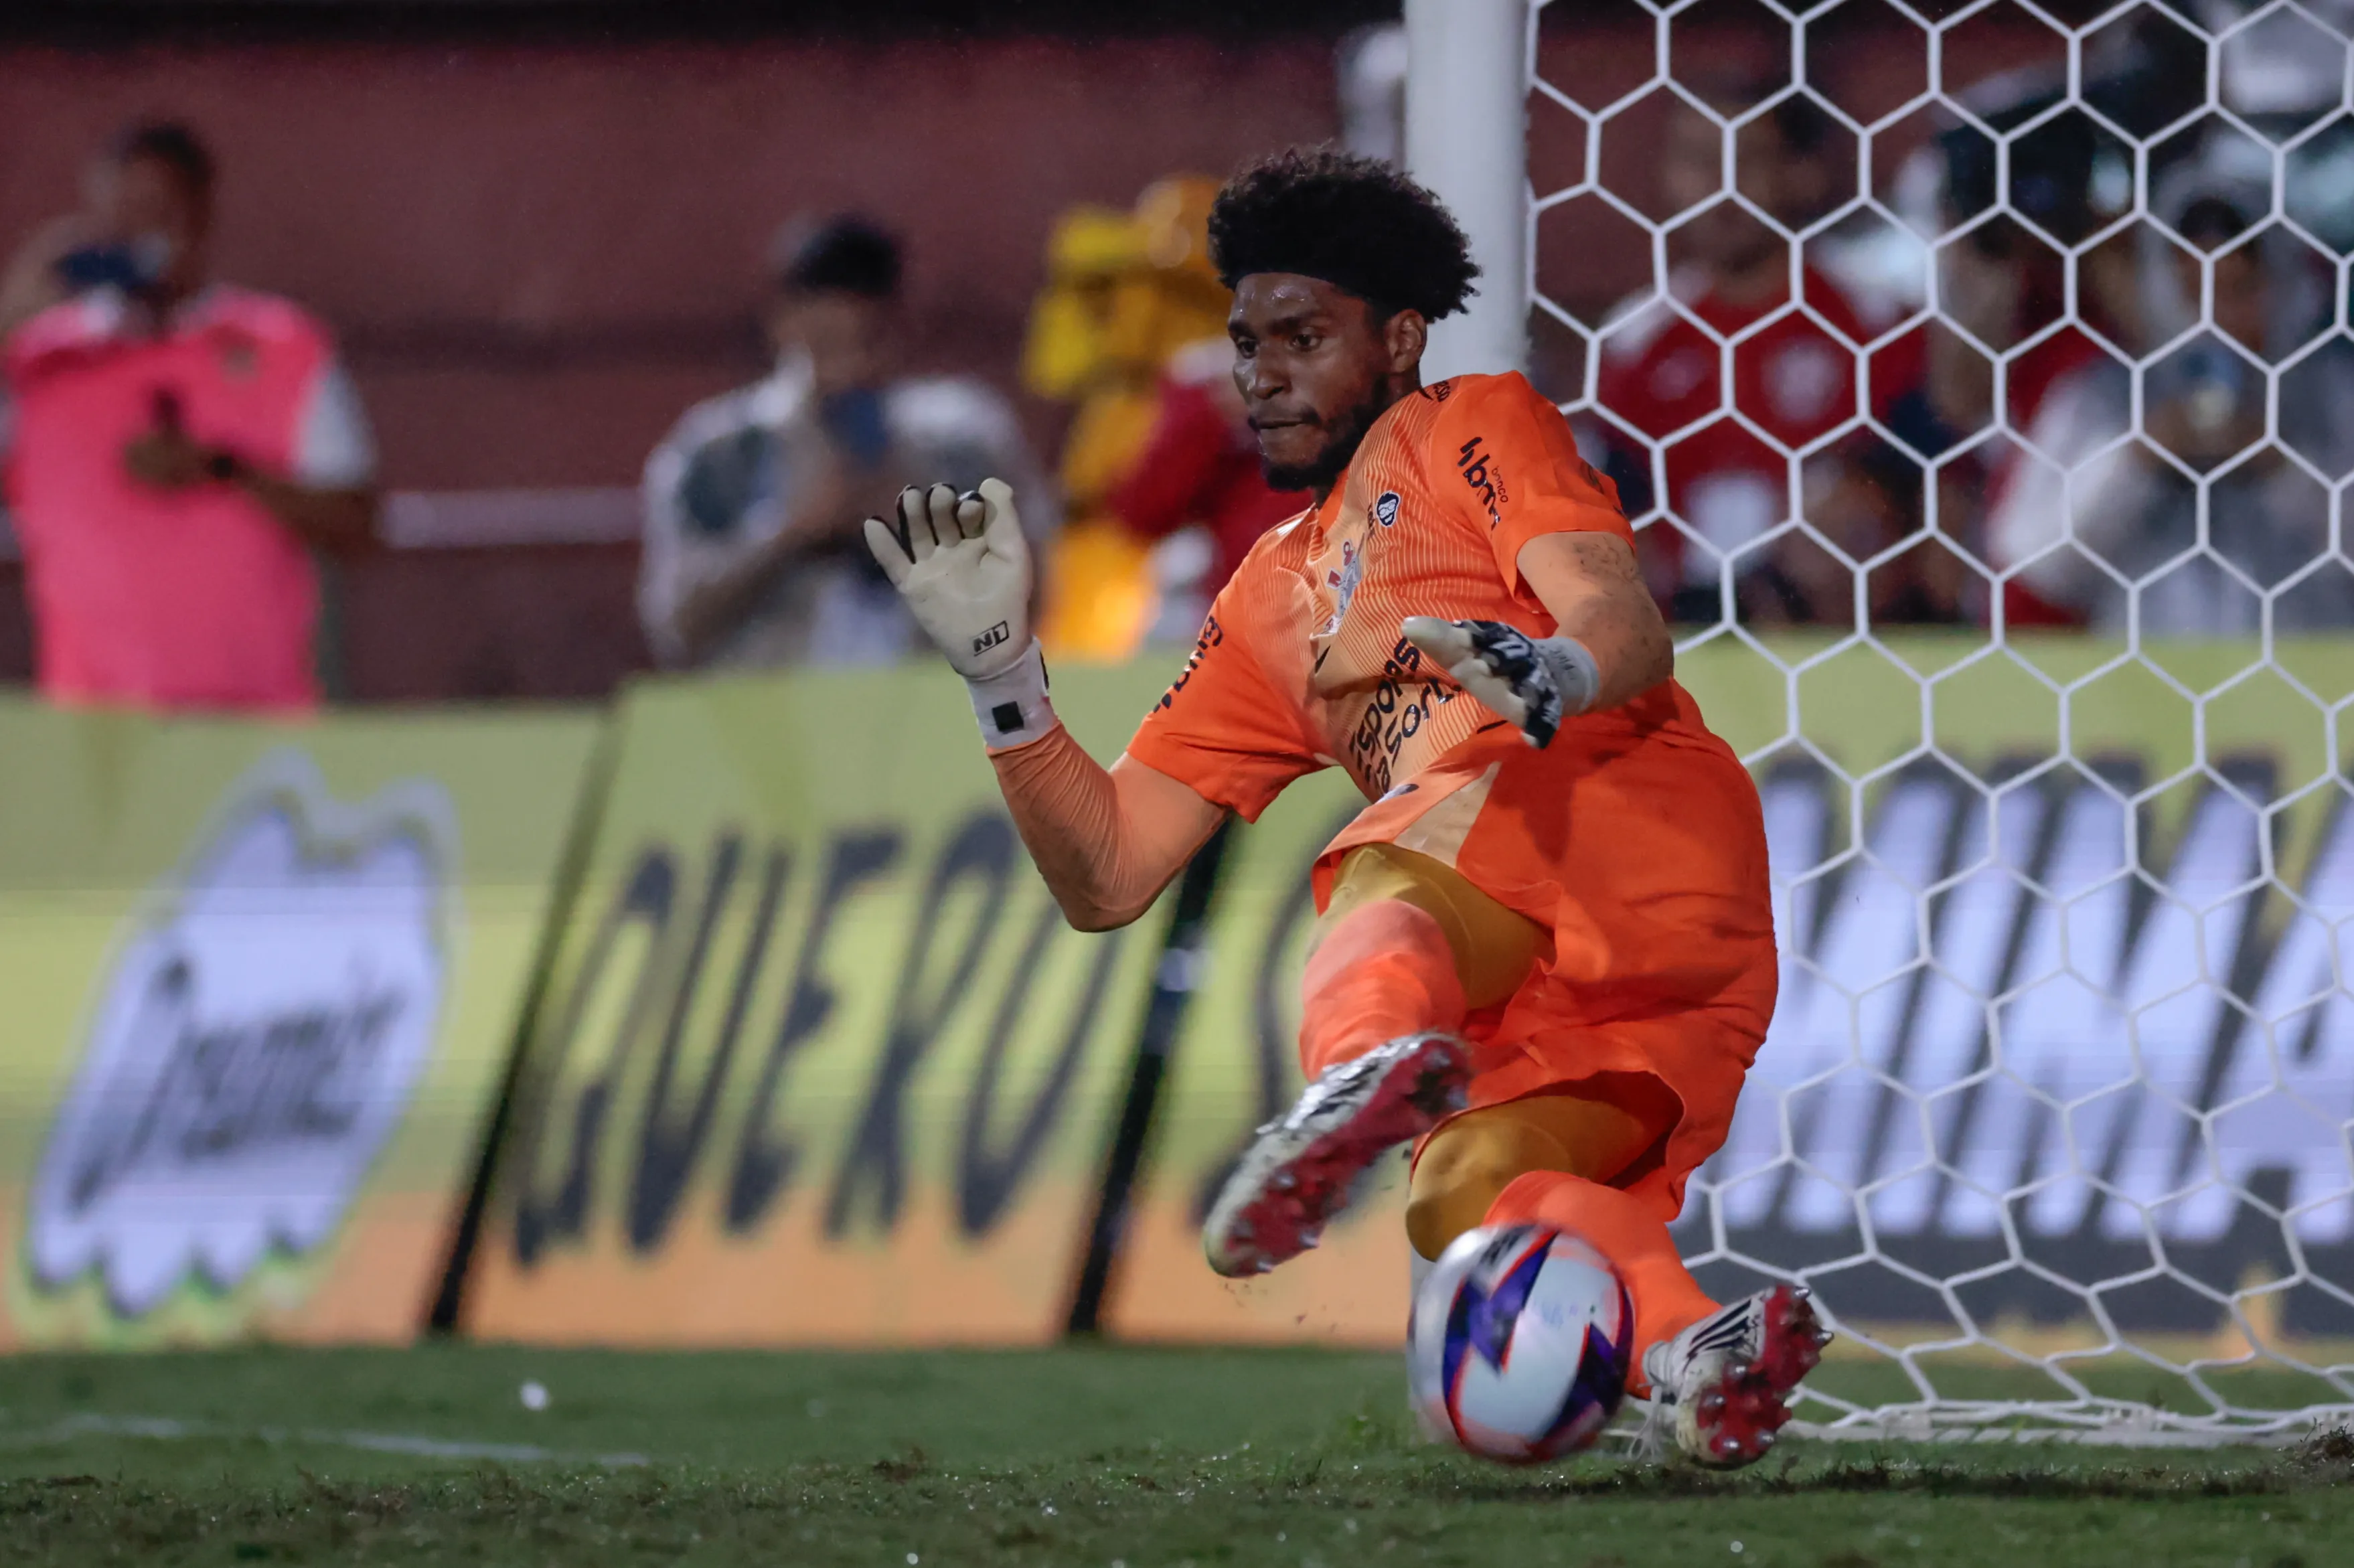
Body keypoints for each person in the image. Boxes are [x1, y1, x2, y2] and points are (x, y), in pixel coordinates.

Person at [862, 150, 1824, 1468]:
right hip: (1637, 971)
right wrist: (1001, 677)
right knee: (1463, 1191)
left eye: (1302, 337)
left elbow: (1621, 612)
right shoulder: (1265, 606)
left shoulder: (1471, 424)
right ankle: (1694, 1354)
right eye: (1247, 342)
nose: (1260, 372)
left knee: (1383, 874)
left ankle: (1360, 1067)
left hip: (1608, 805)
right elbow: (1109, 874)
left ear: (1401, 337)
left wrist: (1559, 670)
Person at [0, 121, 378, 711]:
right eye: (118, 218)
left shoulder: (278, 349)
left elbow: (358, 523)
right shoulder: (41, 364)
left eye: (154, 213)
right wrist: (11, 310)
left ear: (199, 216)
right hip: (94, 735)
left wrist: (222, 469)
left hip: (247, 723)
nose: (136, 236)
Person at [637, 216, 1049, 670]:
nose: (847, 370)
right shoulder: (721, 452)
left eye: (867, 341)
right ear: (784, 327)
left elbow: (1032, 600)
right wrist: (794, 532)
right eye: (824, 344)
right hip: (766, 716)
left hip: (927, 708)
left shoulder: (962, 439)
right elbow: (676, 624)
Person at [1988, 171, 2354, 633]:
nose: (2214, 317)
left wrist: (2281, 467)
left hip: (2310, 681)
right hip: (2144, 686)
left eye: (2238, 289)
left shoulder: (2335, 389)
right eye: (2192, 289)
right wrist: (2136, 457)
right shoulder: (2104, 394)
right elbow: (2031, 555)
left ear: (2285, 284)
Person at [1592, 90, 1879, 622]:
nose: (1720, 185)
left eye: (1745, 159)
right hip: (1679, 644)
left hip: (1837, 637)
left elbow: (1921, 493)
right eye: (1699, 161)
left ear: (1801, 173)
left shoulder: (1871, 321)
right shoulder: (1634, 338)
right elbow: (1618, 505)